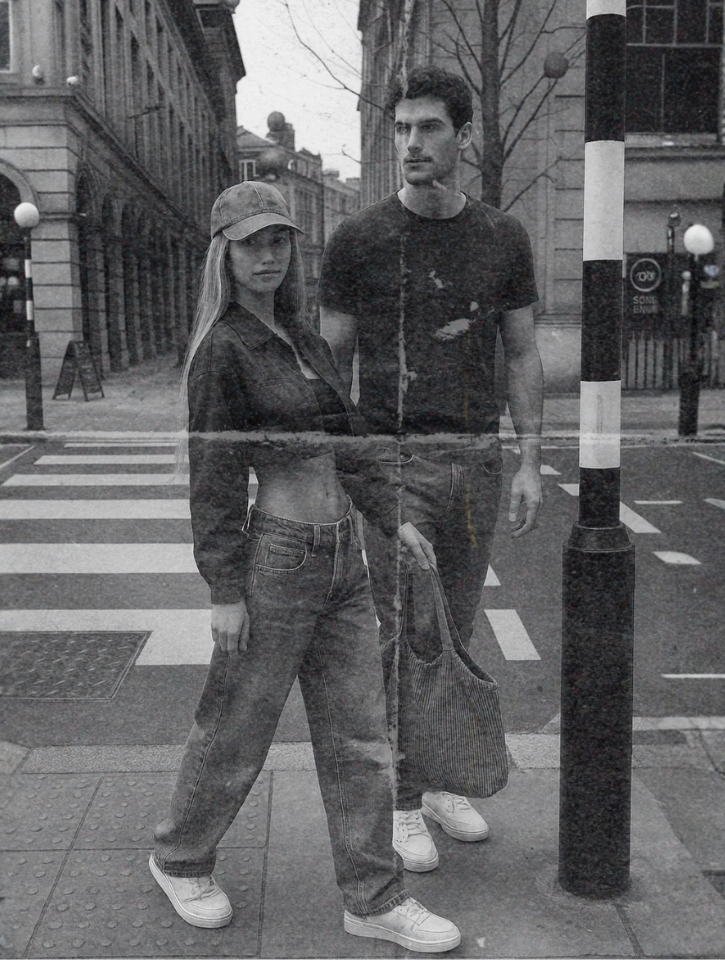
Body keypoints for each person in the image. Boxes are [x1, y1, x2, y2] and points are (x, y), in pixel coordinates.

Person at [149, 180, 461, 954]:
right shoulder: (222, 350)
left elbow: (350, 447)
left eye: (279, 240)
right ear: (224, 251)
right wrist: (225, 588)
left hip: (344, 559)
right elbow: (213, 475)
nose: (268, 255)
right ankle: (181, 857)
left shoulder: (305, 338)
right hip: (278, 558)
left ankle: (373, 897)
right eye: (252, 242)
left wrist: (394, 517)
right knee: (236, 729)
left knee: (361, 736)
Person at [320, 65, 544, 872]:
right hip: (394, 459)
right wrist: (349, 472)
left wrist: (529, 462)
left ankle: (442, 779)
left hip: (475, 459)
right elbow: (330, 366)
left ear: (462, 136)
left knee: (456, 628)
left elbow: (521, 354)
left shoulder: (500, 238)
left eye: (429, 128)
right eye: (402, 128)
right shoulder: (360, 239)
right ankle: (403, 798)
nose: (412, 143)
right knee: (405, 632)